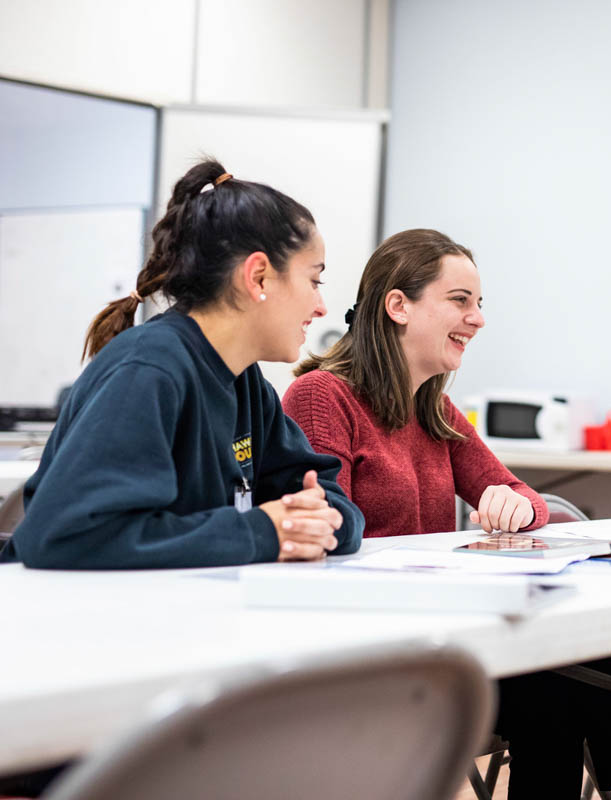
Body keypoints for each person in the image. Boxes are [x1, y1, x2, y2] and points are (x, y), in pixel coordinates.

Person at [282, 229, 611, 800]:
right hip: (370, 650)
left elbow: (525, 496)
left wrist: (515, 503)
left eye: (479, 303)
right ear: (398, 306)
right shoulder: (324, 396)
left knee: (562, 668)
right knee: (560, 677)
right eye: (460, 300)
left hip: (444, 636)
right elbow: (331, 529)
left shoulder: (435, 409)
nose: (478, 319)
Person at [0, 160, 363, 569]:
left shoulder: (245, 380)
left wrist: (326, 522)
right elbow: (67, 536)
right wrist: (263, 531)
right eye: (314, 281)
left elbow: (322, 493)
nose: (320, 306)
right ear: (258, 277)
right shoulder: (149, 371)